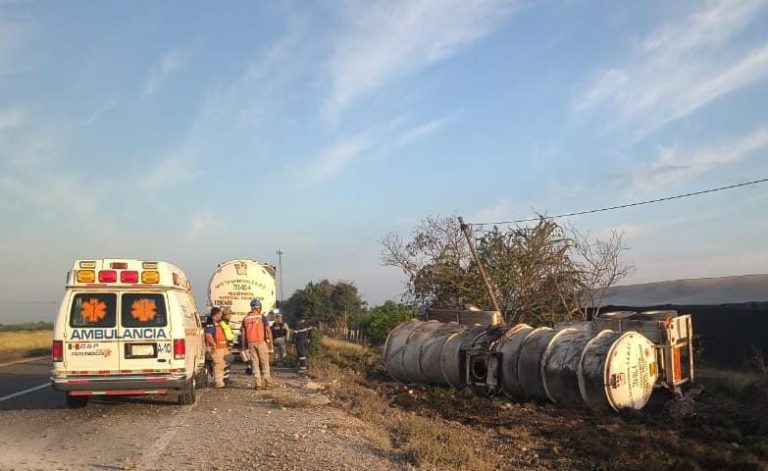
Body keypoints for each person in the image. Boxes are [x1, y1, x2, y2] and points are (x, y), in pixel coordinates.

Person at [240, 299, 274, 389]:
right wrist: (271, 343)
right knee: (264, 363)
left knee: (254, 364)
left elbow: (243, 333)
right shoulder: (261, 317)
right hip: (261, 342)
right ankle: (268, 383)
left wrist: (243, 345)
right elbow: (268, 330)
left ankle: (257, 384)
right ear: (259, 307)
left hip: (251, 343)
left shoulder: (245, 319)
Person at [204, 307, 228, 388]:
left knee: (222, 364)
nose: (221, 315)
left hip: (220, 348)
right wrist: (214, 345)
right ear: (216, 314)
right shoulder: (211, 324)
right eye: (220, 314)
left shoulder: (218, 323)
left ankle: (220, 380)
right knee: (218, 365)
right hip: (215, 348)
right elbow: (208, 335)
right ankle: (218, 382)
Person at [220, 308, 236, 386]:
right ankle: (224, 379)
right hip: (224, 345)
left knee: (227, 362)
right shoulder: (223, 323)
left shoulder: (225, 323)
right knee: (227, 362)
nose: (231, 316)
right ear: (225, 315)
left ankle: (226, 378)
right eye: (230, 314)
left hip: (226, 345)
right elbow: (228, 336)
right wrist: (232, 336)